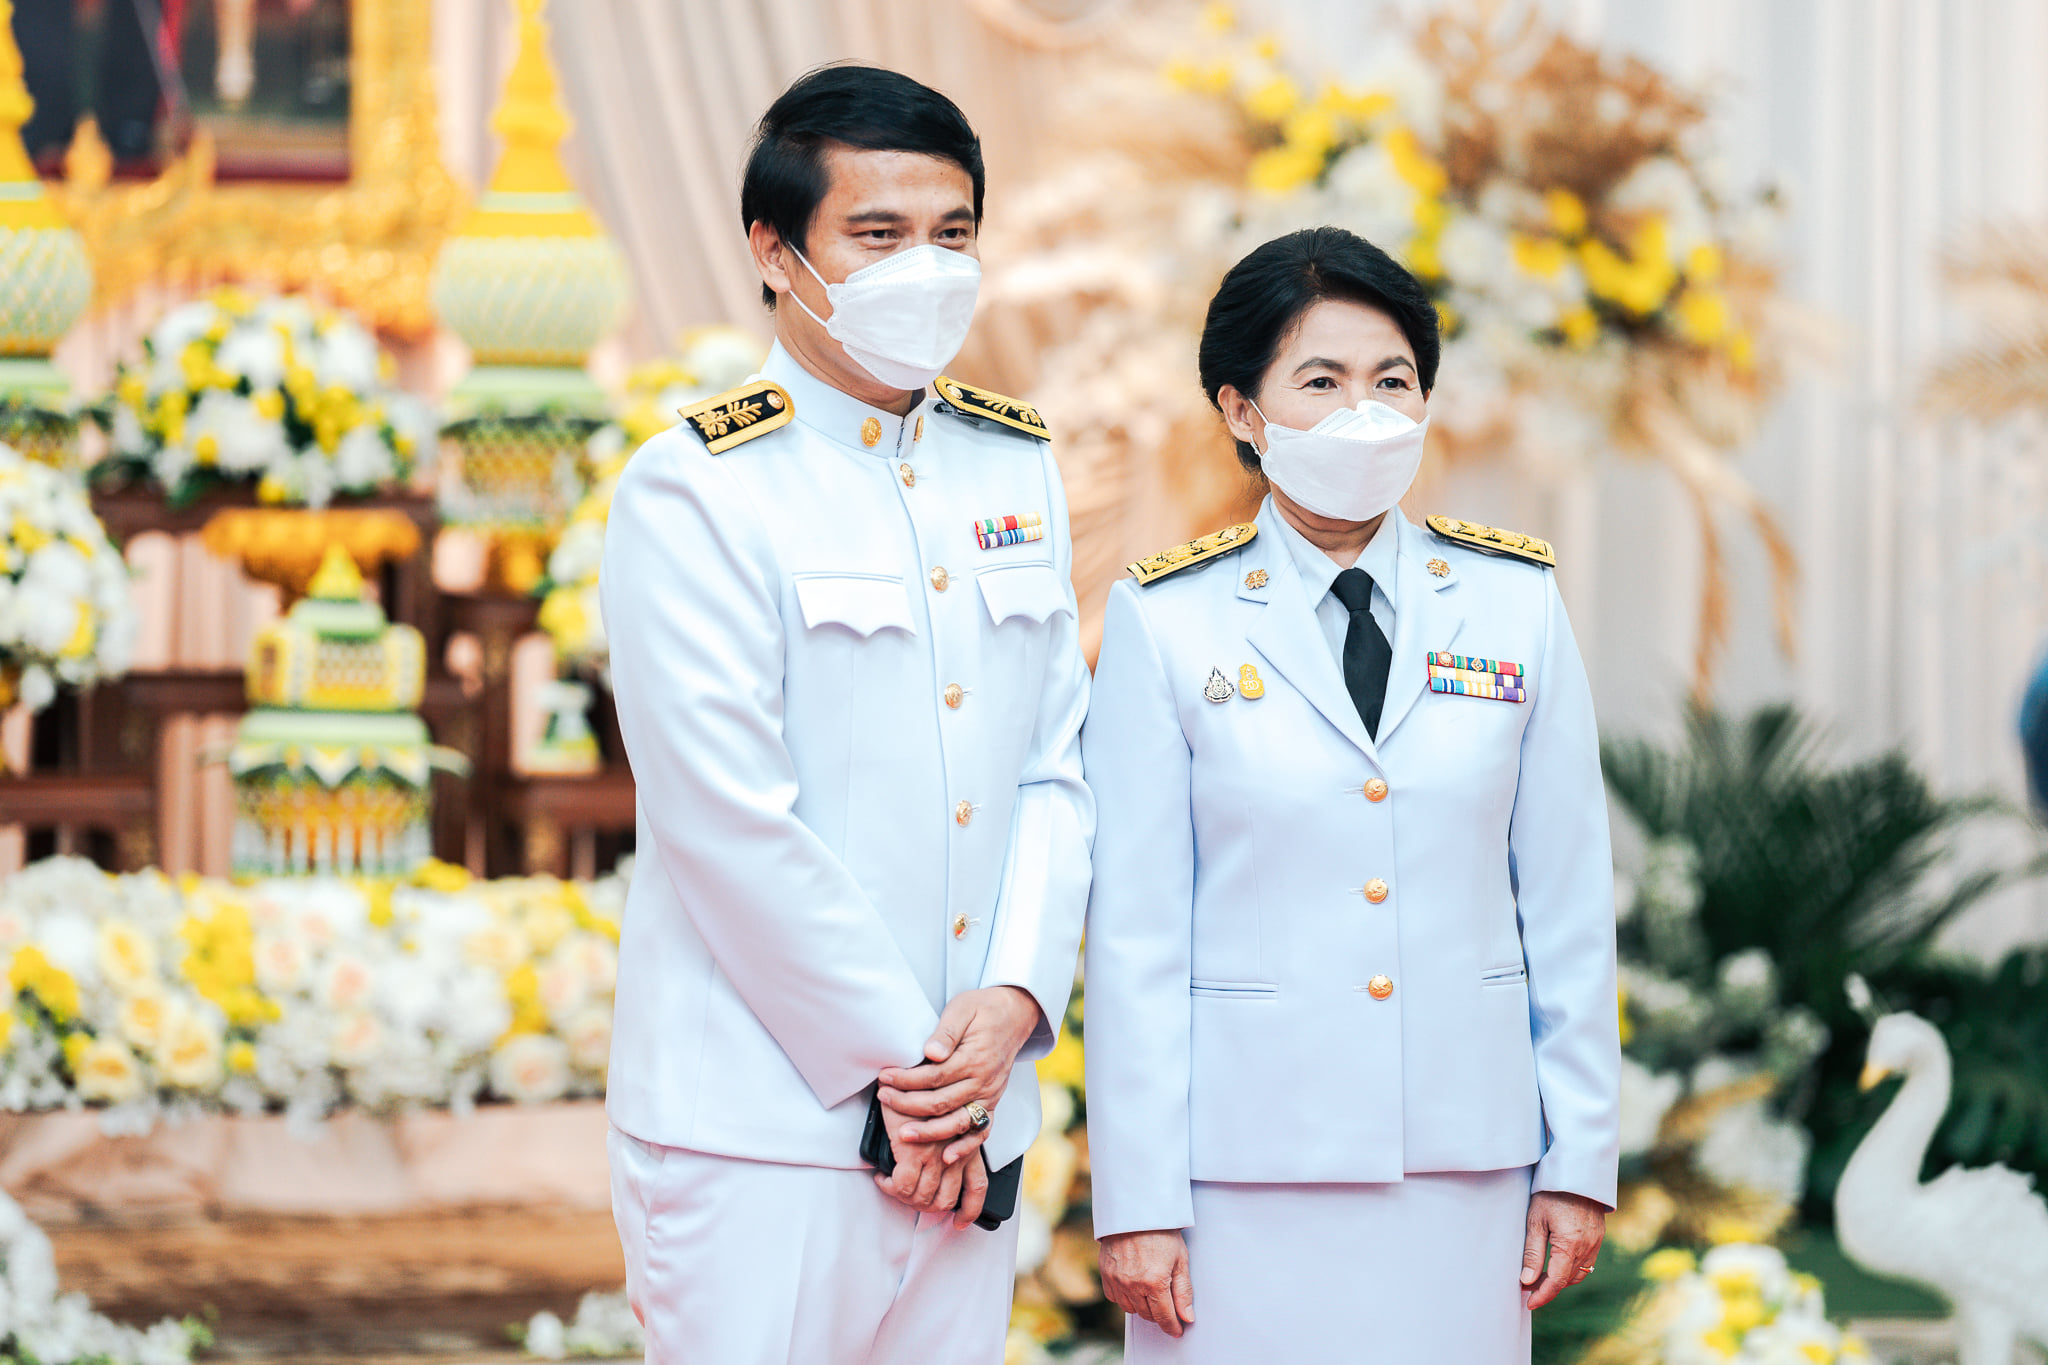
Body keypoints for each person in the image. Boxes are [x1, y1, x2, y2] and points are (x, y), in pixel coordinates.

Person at [600, 64, 1092, 1364]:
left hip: (978, 1115)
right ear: (776, 252)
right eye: (877, 235)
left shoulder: (1013, 463)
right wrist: (916, 1080)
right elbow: (728, 822)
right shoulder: (698, 488)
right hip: (759, 1128)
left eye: (951, 233)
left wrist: (1014, 999)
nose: (922, 269)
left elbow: (1055, 770)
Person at [1081, 226, 1619, 1362]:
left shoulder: (1513, 602)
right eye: (1320, 383)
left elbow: (1568, 905)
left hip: (1467, 1163)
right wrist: (1136, 1196)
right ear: (1241, 410)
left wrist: (1578, 1161)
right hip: (1240, 1170)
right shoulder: (1168, 620)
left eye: (1392, 380)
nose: (1362, 413)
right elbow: (1134, 935)